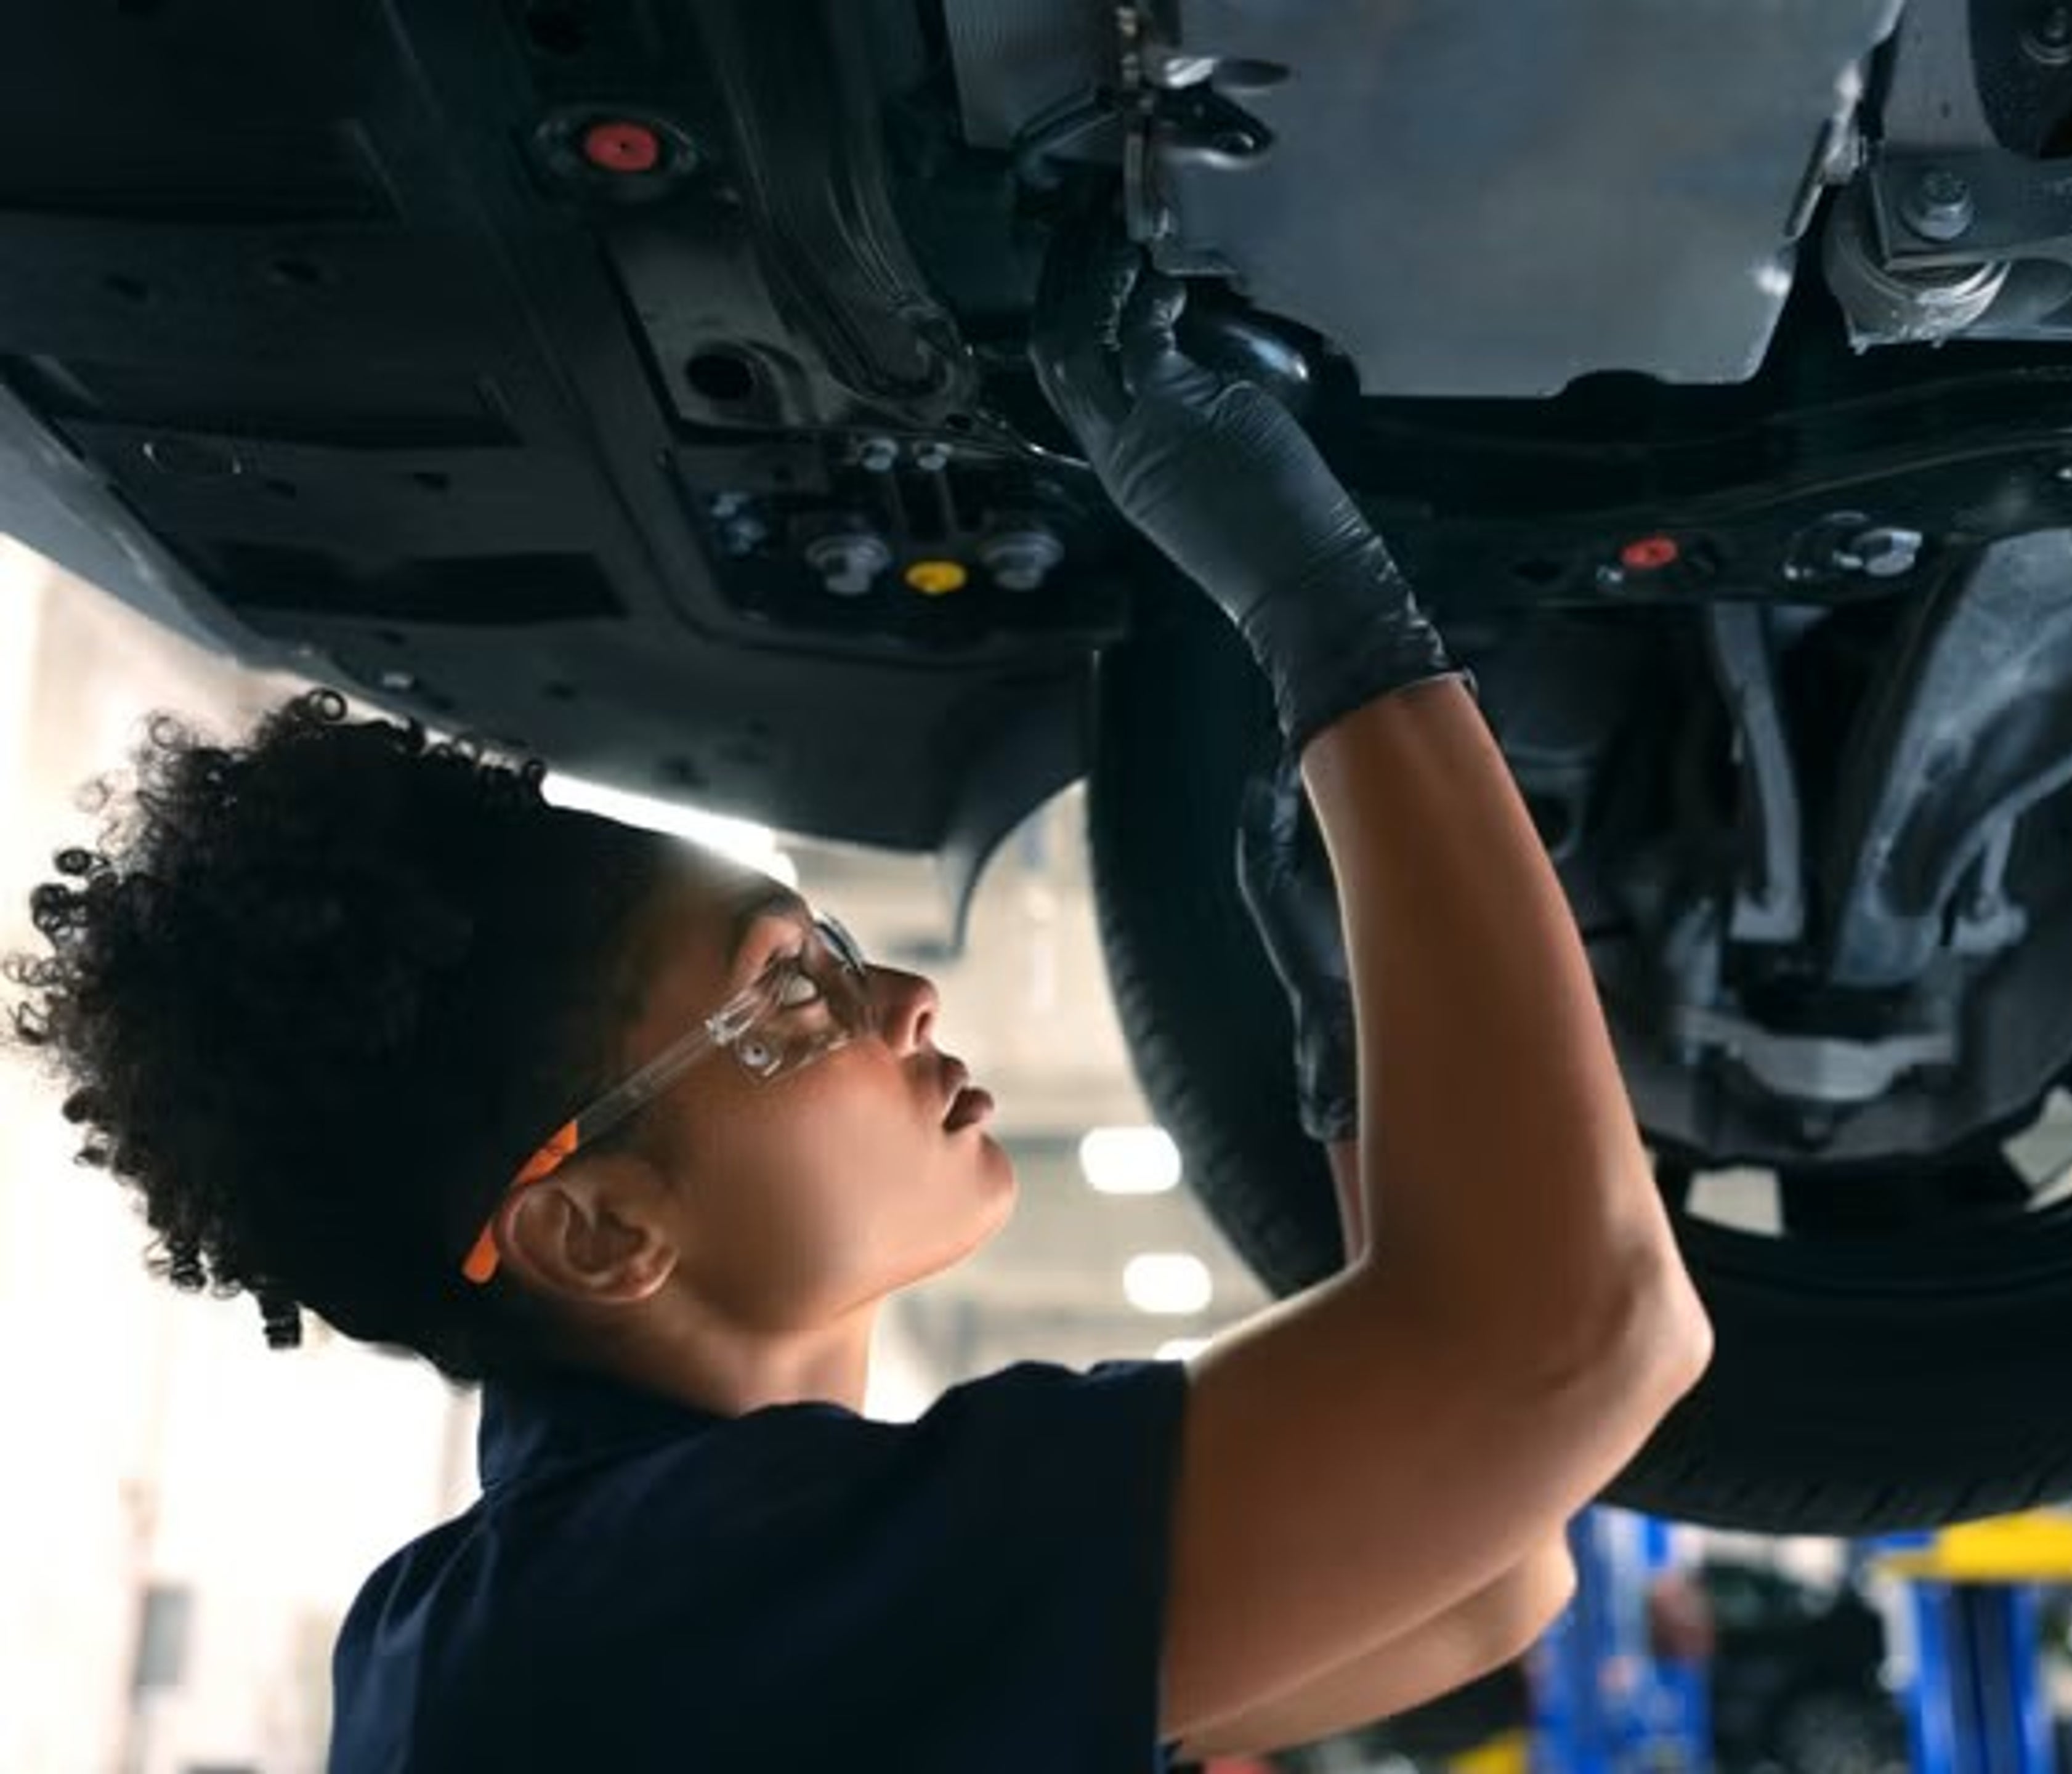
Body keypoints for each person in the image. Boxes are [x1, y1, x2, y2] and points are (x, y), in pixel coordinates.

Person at [6, 225, 1710, 1770]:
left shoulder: (619, 1612)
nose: (899, 995)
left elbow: (1478, 1572)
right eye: (791, 996)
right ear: (598, 1230)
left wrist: (1351, 1047)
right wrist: (1326, 614)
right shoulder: (613, 1631)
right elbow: (1577, 1363)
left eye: (825, 950)